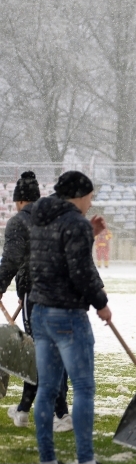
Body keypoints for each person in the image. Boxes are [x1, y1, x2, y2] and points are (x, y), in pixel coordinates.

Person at [28, 170, 120, 464]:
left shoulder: (40, 217)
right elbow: (80, 271)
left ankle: (47, 461)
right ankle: (86, 463)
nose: (91, 203)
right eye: (90, 197)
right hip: (68, 315)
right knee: (83, 387)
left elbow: (57, 254)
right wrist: (101, 304)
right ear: (79, 195)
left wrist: (87, 234)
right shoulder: (75, 223)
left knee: (47, 389)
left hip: (40, 311)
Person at [0, 171, 71, 432]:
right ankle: (23, 410)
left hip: (38, 293)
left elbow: (12, 258)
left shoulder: (19, 221)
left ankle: (59, 413)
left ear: (19, 201)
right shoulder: (54, 217)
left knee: (41, 354)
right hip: (63, 294)